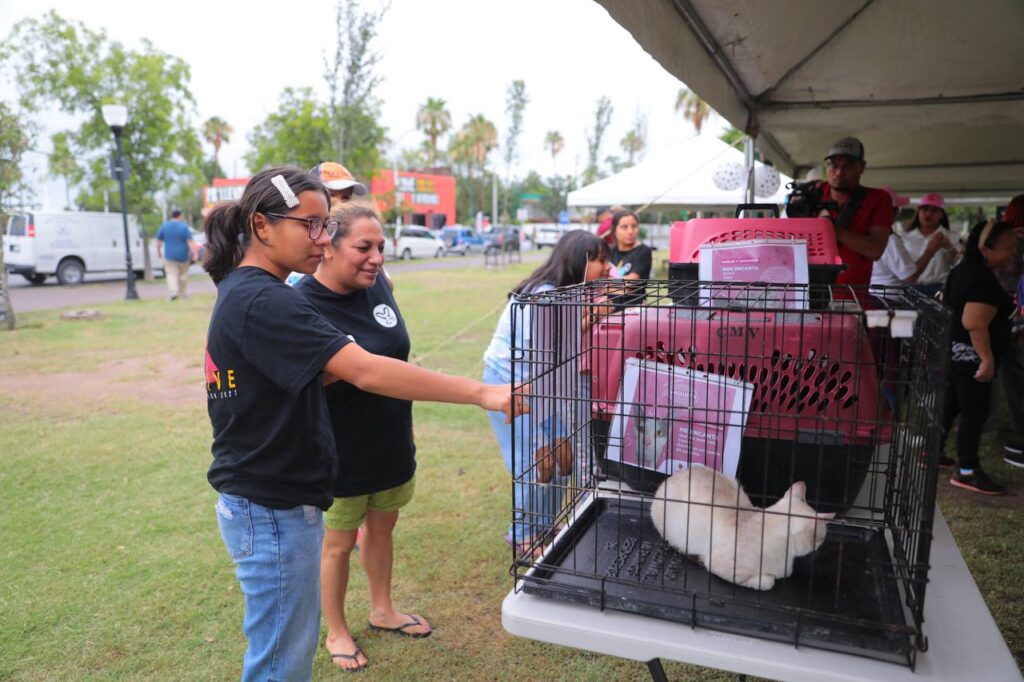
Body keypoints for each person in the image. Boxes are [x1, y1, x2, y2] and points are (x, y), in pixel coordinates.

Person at [204, 166, 521, 681]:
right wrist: (485, 392)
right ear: (262, 225)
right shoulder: (266, 299)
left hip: (272, 500)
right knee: (280, 664)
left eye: (325, 224)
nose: (321, 237)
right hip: (270, 508)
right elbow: (367, 371)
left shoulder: (252, 293)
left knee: (283, 653)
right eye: (309, 224)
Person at [293, 203, 426, 672]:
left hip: (390, 441)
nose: (376, 258)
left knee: (383, 527)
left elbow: (393, 353)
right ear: (327, 247)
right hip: (339, 453)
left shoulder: (379, 286)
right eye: (363, 248)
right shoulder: (301, 304)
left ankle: (382, 609)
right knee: (337, 543)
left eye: (381, 248)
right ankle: (336, 630)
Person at [482, 231, 611, 555]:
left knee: (562, 457)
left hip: (543, 387)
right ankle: (523, 534)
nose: (608, 268)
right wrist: (593, 316)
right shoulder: (542, 295)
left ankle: (545, 526)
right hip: (510, 383)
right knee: (536, 460)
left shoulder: (570, 291)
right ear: (578, 261)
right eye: (600, 260)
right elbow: (546, 346)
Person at [939, 220, 1018, 495]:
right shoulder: (981, 277)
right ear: (985, 248)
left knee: (951, 405)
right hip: (972, 356)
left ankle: (933, 452)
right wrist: (986, 358)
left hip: (955, 352)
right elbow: (974, 321)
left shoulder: (962, 270)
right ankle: (968, 470)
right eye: (1008, 248)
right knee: (975, 411)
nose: (1012, 253)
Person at [816, 137, 893, 286]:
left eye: (848, 166)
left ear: (862, 167)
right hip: (805, 295)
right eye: (833, 165)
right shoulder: (813, 193)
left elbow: (875, 250)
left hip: (853, 297)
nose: (839, 172)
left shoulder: (878, 199)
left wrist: (829, 230)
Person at [993, 194, 1024, 464]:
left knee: (1015, 378)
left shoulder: (1011, 241)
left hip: (1008, 318)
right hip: (1013, 317)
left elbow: (1004, 280)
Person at [901, 193, 959, 296]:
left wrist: (949, 247)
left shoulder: (952, 236)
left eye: (934, 210)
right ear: (918, 212)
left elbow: (958, 264)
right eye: (925, 209)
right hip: (912, 289)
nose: (928, 214)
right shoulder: (905, 238)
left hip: (940, 288)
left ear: (941, 214)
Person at [155, 209, 198, 300]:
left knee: (171, 274)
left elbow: (159, 241)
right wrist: (195, 253)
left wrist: (159, 251)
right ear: (180, 216)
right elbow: (190, 241)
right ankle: (183, 294)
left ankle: (173, 293)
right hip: (183, 255)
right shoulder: (184, 227)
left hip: (169, 255)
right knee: (183, 275)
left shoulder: (165, 226)